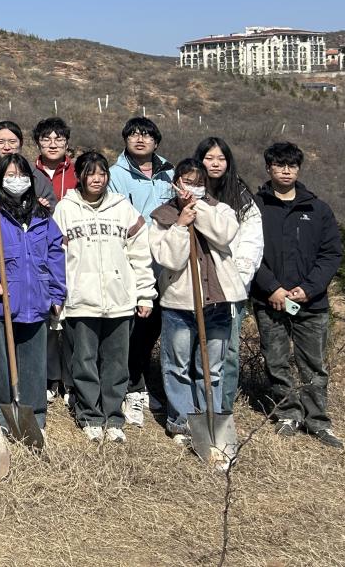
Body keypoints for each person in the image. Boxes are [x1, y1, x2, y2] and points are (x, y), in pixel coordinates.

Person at [52, 151, 154, 443]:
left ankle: (114, 417)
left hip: (119, 300)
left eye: (102, 173)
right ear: (79, 176)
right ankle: (90, 416)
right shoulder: (65, 209)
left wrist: (145, 294)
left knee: (116, 363)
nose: (97, 179)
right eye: (90, 173)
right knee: (83, 361)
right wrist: (58, 294)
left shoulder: (122, 208)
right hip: (81, 300)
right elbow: (56, 257)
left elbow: (140, 255)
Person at [251, 142, 343, 448]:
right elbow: (248, 252)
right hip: (270, 300)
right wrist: (272, 287)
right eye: (279, 165)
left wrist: (309, 288)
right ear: (269, 168)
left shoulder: (318, 209)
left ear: (299, 169)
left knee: (313, 365)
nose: (286, 171)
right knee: (276, 360)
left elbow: (331, 254)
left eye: (291, 165)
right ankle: (287, 413)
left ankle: (317, 420)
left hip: (311, 303)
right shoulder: (255, 207)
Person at [148, 159, 242, 445]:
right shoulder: (162, 216)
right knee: (177, 366)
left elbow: (223, 235)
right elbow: (170, 260)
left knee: (211, 368)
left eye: (199, 183)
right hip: (179, 304)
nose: (192, 188)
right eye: (187, 182)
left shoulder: (221, 210)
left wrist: (197, 208)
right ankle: (181, 422)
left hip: (217, 302)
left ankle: (210, 420)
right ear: (175, 183)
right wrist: (180, 225)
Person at [0, 154, 65, 434]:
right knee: (1, 364)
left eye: (22, 175)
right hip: (0, 302)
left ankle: (34, 416)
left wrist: (57, 294)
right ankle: (1, 417)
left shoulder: (42, 216)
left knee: (34, 364)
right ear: (0, 180)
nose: (17, 181)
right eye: (10, 175)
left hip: (35, 299)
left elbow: (55, 255)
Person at [108, 117, 175, 427]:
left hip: (165, 263)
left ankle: (140, 381)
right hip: (131, 261)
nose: (140, 139)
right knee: (131, 326)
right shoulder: (114, 175)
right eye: (133, 134)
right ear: (125, 140)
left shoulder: (169, 174)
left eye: (147, 135)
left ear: (156, 142)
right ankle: (129, 386)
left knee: (152, 327)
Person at [195, 137, 263, 414]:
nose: (215, 163)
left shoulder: (241, 196)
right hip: (195, 284)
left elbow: (252, 241)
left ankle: (222, 407)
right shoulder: (190, 192)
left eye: (221, 158)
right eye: (209, 158)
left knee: (228, 350)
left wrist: (239, 277)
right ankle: (196, 404)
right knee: (196, 347)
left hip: (230, 286)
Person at [32, 116, 76, 406]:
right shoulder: (27, 172)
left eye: (58, 138)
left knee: (72, 318)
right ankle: (50, 377)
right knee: (46, 317)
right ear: (38, 143)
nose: (52, 143)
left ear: (67, 143)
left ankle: (72, 379)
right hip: (40, 253)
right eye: (46, 138)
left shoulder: (79, 172)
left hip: (74, 254)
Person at [0, 121, 56, 208]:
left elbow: (52, 208)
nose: (7, 147)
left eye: (12, 142)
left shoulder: (35, 176)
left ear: (21, 144)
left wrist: (43, 208)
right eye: (0, 142)